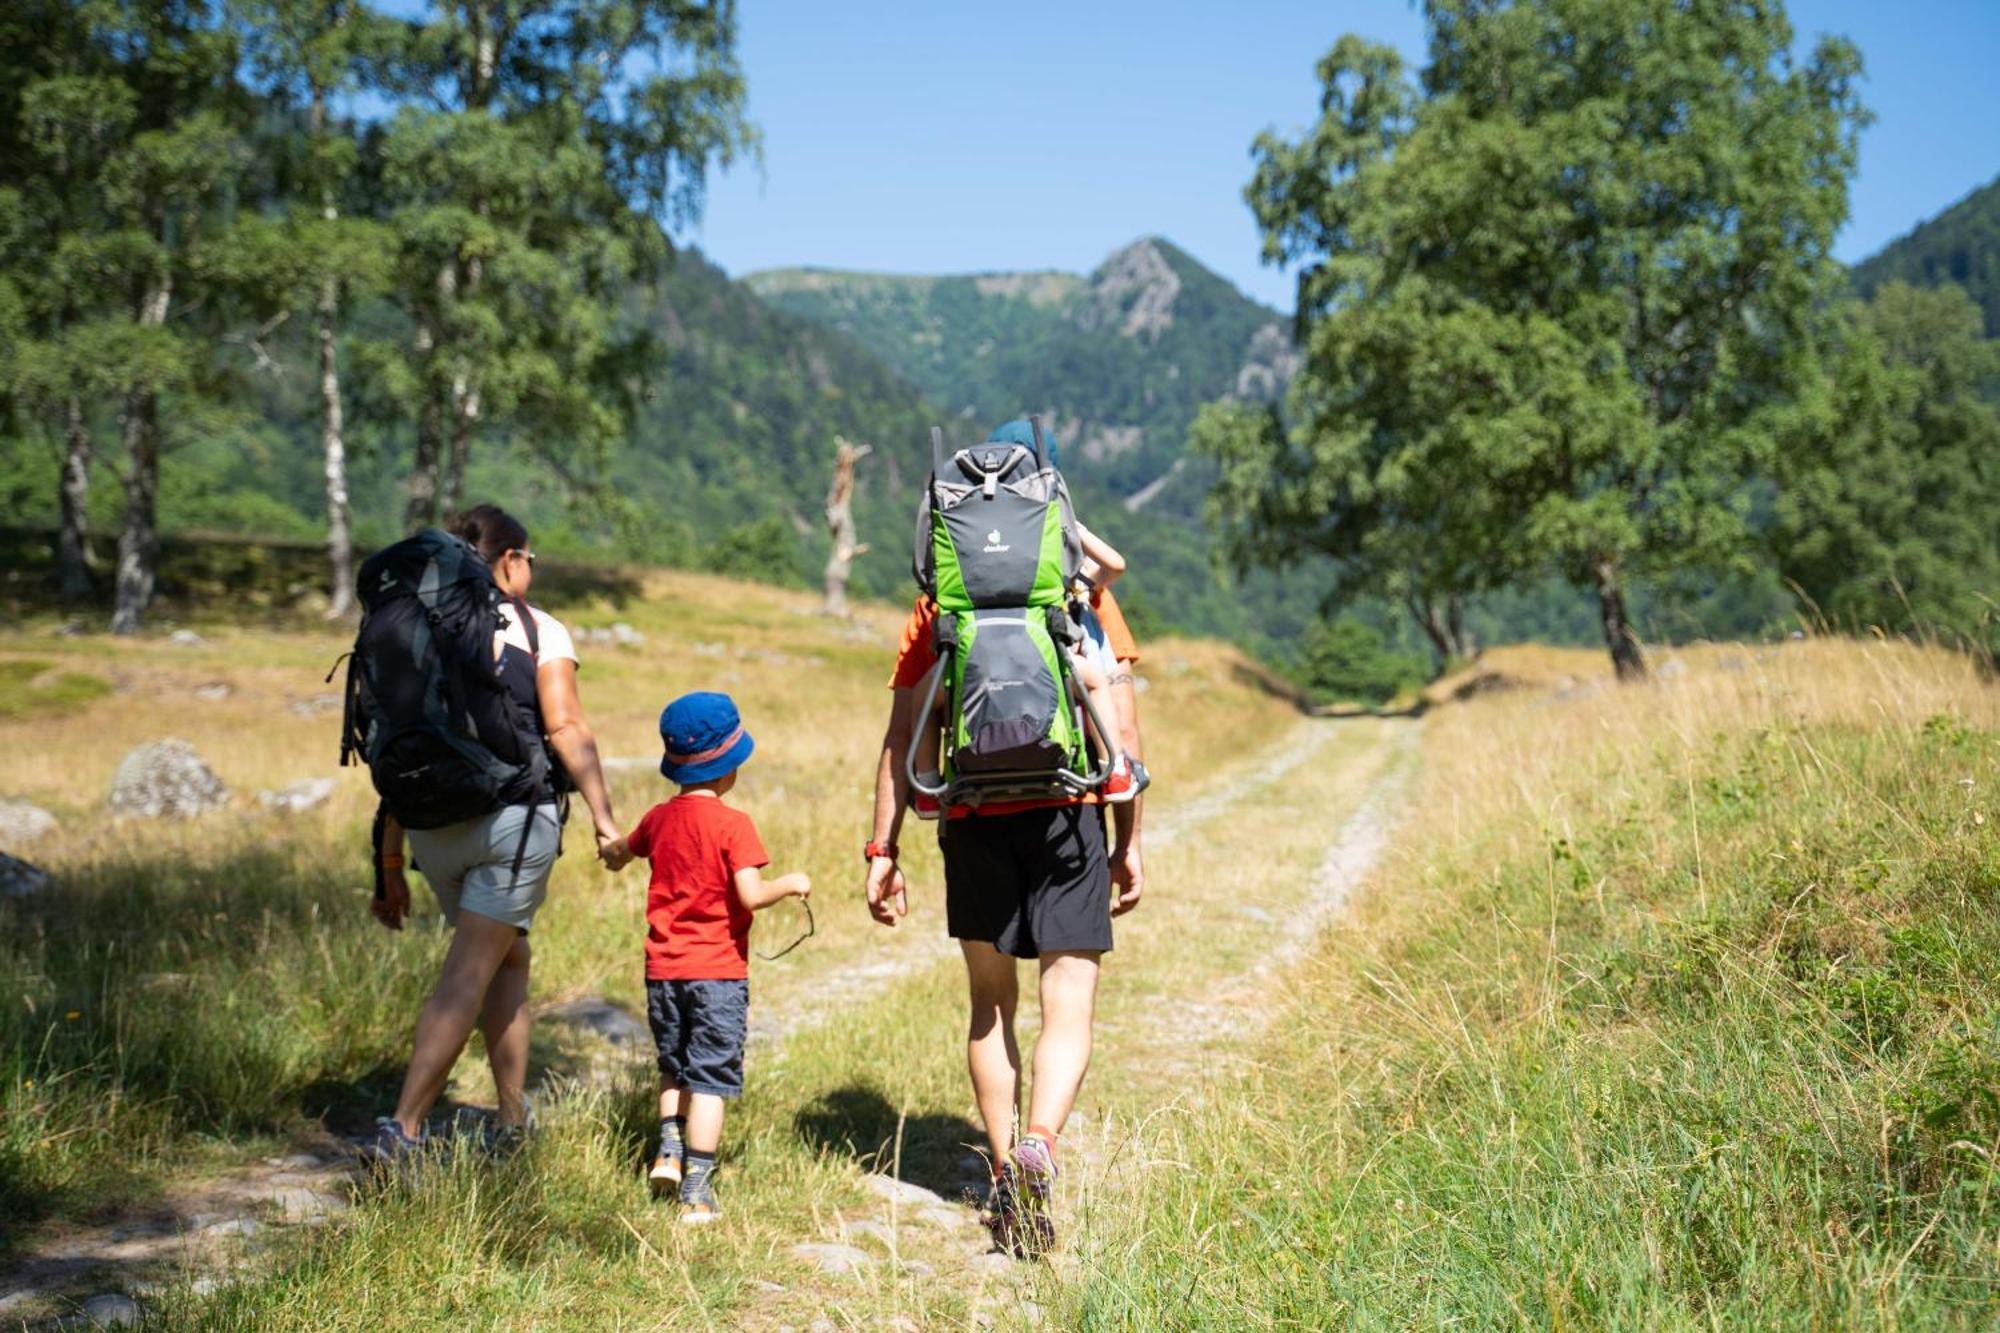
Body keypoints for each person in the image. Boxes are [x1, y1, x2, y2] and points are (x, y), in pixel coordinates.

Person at [863, 421, 1147, 1258]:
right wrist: (1129, 840)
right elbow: (1122, 735)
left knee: (991, 1004)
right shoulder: (1079, 596)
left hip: (971, 815)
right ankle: (1041, 1146)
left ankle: (1000, 1176)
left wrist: (882, 850)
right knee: (1070, 1003)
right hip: (1066, 816)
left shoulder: (939, 602)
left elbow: (900, 734)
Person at [370, 504, 623, 1156]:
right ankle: (404, 1128)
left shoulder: (416, 627)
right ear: (508, 559)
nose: (531, 570)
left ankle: (512, 1117)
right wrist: (603, 816)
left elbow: (401, 743)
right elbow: (566, 727)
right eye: (529, 558)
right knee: (468, 973)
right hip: (511, 826)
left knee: (508, 954)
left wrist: (391, 861)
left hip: (431, 831)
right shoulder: (538, 629)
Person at [599, 691, 810, 1223]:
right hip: (716, 974)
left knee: (673, 1068)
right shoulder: (734, 826)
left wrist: (610, 849)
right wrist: (789, 883)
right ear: (730, 768)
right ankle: (696, 1187)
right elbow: (749, 895)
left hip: (663, 970)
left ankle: (668, 1151)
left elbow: (622, 852)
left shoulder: (657, 819)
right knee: (710, 1079)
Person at [909, 518, 1136, 815]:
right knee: (1095, 681)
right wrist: (1070, 526)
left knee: (922, 698)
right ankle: (1115, 769)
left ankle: (927, 785)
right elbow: (1115, 566)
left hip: (975, 673)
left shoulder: (968, 579)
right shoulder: (1051, 576)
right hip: (1046, 669)